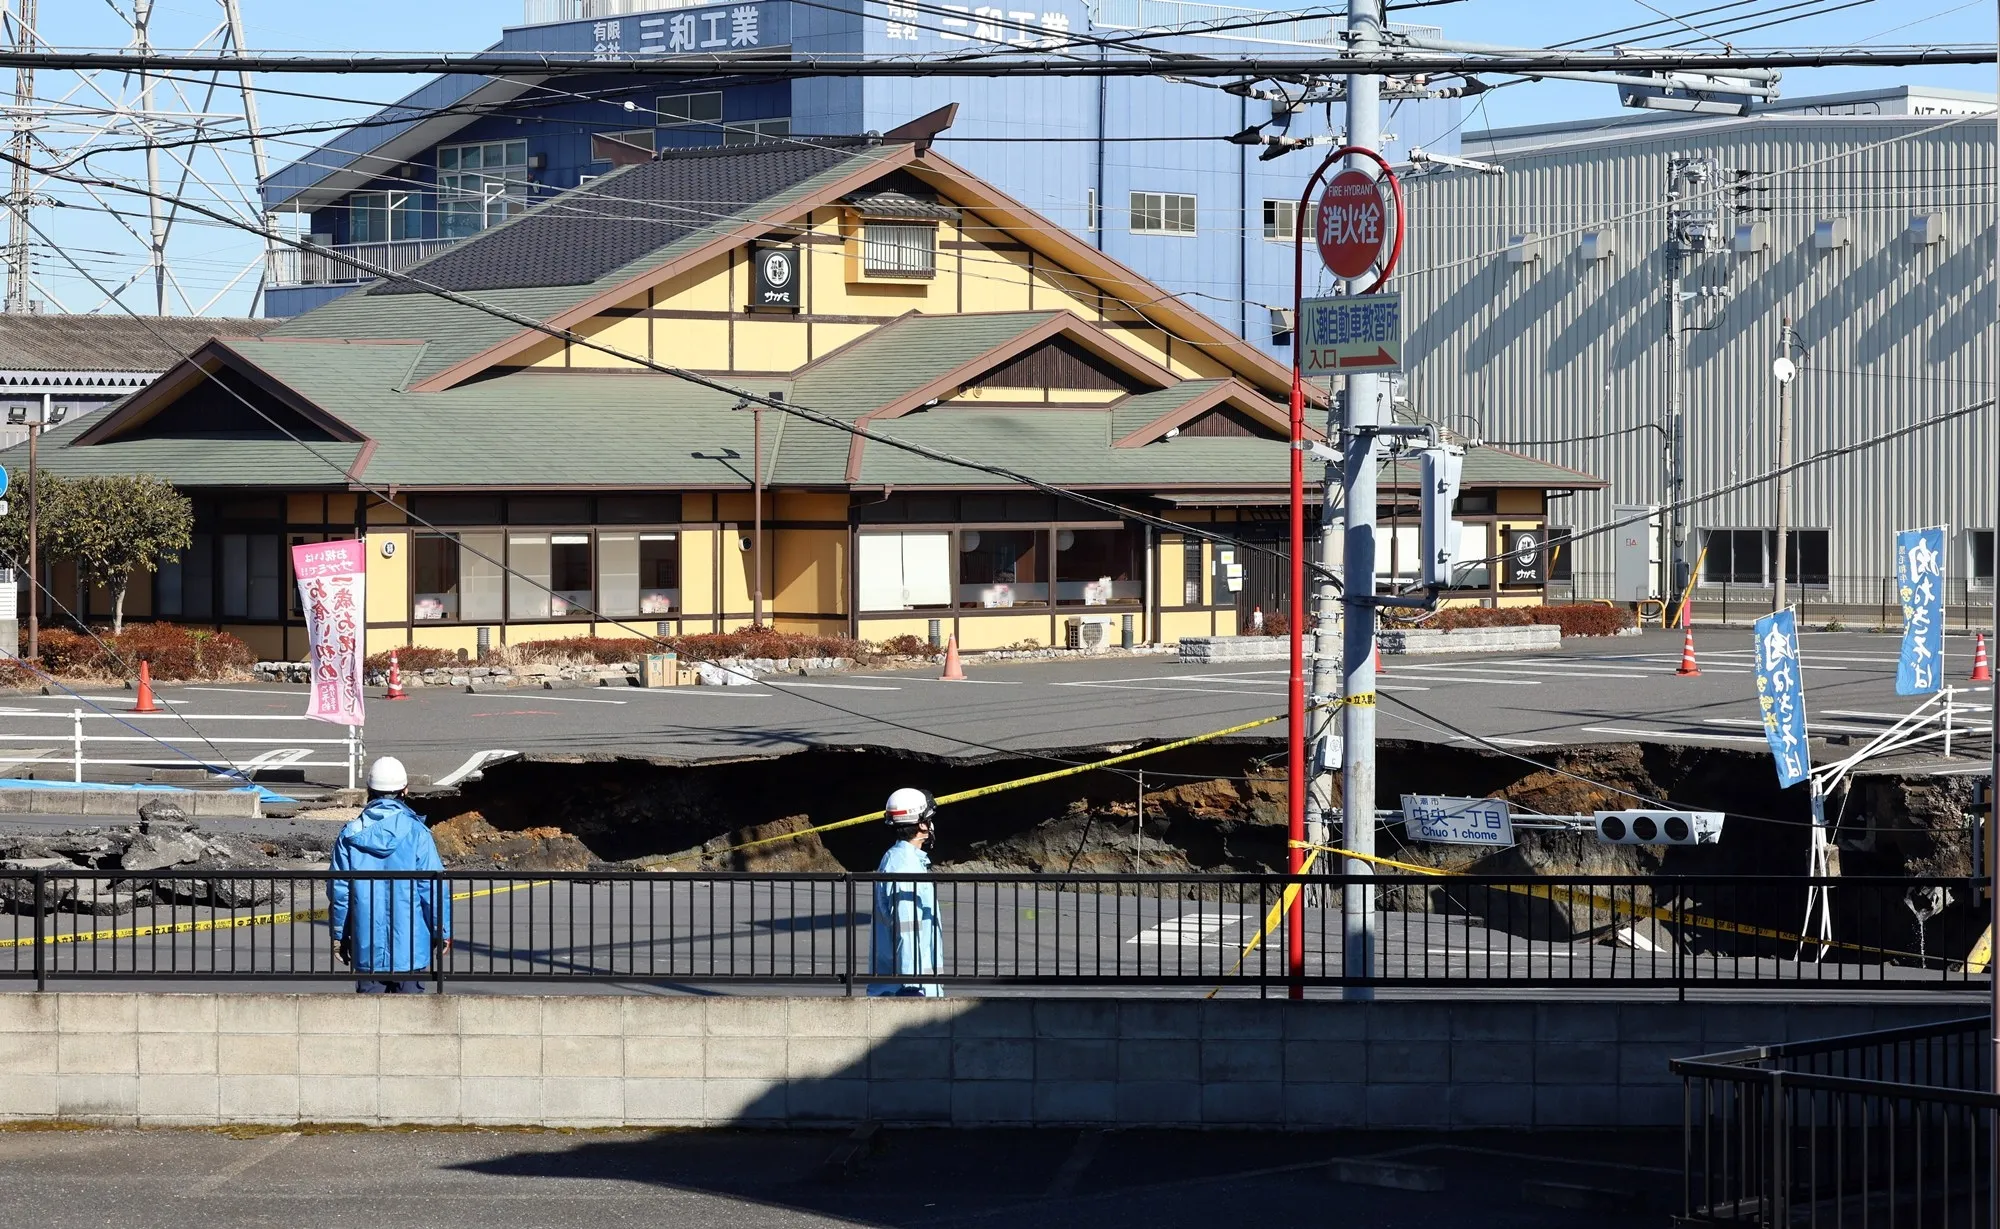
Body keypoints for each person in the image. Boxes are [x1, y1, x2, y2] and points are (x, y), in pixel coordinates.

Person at [329, 756, 451, 993]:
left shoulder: (350, 835)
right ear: (405, 790)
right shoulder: (417, 833)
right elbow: (432, 887)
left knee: (371, 1019)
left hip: (366, 946)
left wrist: (339, 935)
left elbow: (340, 890)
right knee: (410, 1020)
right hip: (411, 947)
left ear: (369, 791)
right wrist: (442, 930)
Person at [869, 787, 944, 997]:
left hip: (905, 987)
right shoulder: (905, 867)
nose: (931, 824)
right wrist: (913, 986)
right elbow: (907, 929)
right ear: (921, 824)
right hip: (908, 992)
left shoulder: (901, 859)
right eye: (928, 819)